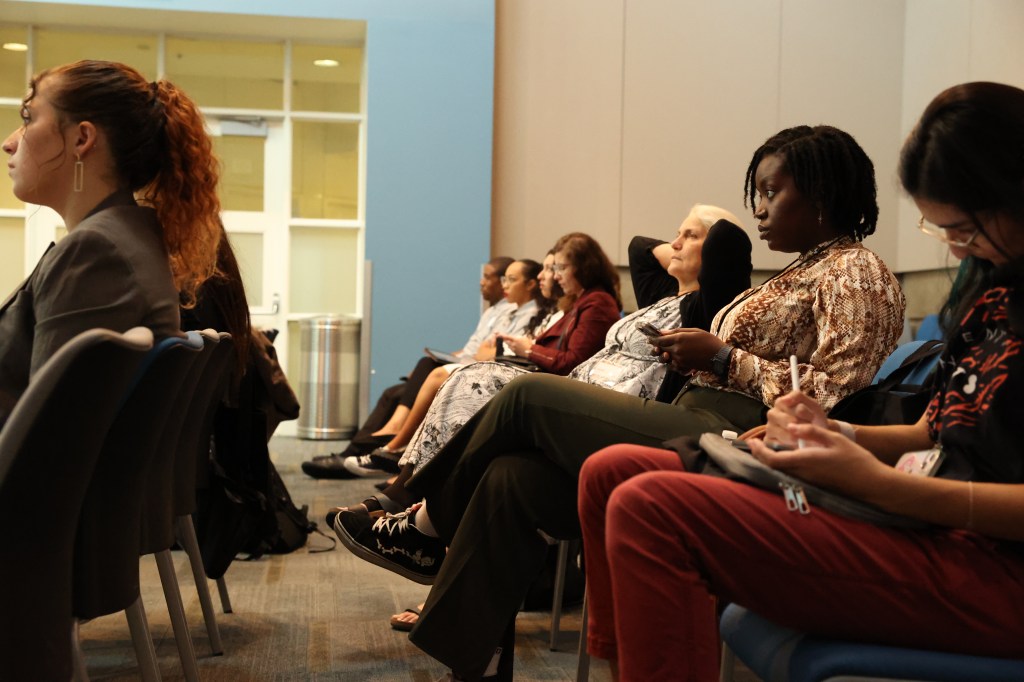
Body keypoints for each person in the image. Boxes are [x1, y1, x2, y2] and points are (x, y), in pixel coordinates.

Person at [334, 124, 906, 681]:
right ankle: (470, 657)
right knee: (513, 476)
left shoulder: (857, 271)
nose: (758, 207)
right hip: (699, 414)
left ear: (824, 196)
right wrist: (708, 357)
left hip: (737, 440)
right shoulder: (802, 268)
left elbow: (834, 397)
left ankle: (422, 525)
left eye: (772, 191)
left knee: (527, 393)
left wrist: (725, 359)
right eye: (756, 191)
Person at [576, 81, 1024, 681]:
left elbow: (843, 381)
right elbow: (931, 432)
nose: (953, 244)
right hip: (932, 519)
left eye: (966, 228)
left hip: (989, 565)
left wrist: (879, 486)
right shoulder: (994, 293)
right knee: (611, 472)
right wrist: (835, 435)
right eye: (939, 226)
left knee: (650, 506)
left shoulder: (856, 270)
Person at [0, 59, 220, 430]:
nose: (9, 143)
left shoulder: (95, 252)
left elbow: (47, 436)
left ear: (82, 140)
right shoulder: (128, 239)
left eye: (28, 118)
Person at [336, 234, 625, 514]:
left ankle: (406, 475)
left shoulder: (596, 303)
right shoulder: (579, 302)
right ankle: (407, 475)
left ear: (584, 267)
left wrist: (528, 349)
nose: (555, 275)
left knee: (458, 381)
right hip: (540, 378)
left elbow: (572, 361)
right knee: (451, 382)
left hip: (550, 388)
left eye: (562, 267)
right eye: (554, 268)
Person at [301, 256, 516, 479]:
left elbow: (489, 353)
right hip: (462, 366)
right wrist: (442, 358)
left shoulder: (512, 313)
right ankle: (355, 455)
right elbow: (470, 350)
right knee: (393, 393)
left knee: (419, 372)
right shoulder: (492, 312)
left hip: (471, 375)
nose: (482, 282)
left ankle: (364, 456)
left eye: (488, 277)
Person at [341, 258, 553, 479]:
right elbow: (480, 349)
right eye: (502, 279)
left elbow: (502, 352)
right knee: (395, 392)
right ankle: (374, 453)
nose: (503, 285)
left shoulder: (534, 314)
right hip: (476, 366)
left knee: (429, 376)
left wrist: (488, 352)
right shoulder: (508, 312)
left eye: (510, 280)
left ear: (529, 284)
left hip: (493, 373)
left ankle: (394, 451)